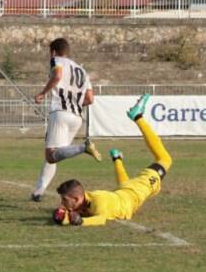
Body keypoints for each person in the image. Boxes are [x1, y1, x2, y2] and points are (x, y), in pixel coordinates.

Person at [53, 93, 170, 227]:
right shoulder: (83, 200)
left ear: (76, 199)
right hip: (125, 192)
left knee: (165, 159)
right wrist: (61, 217)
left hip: (136, 191)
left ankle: (138, 117)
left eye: (64, 199)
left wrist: (81, 221)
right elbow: (74, 214)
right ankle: (117, 158)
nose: (62, 203)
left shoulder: (98, 202)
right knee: (128, 186)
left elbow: (100, 219)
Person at [30, 37, 101, 201]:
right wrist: (74, 103)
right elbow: (90, 99)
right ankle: (38, 192)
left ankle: (84, 148)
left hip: (60, 113)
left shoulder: (57, 60)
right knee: (55, 155)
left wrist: (42, 93)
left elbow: (57, 76)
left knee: (51, 155)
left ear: (53, 51)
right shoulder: (82, 71)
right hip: (76, 117)